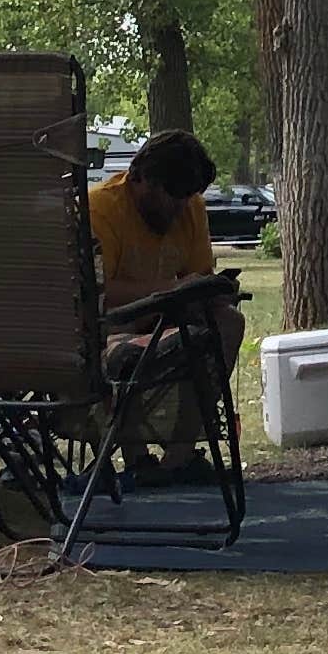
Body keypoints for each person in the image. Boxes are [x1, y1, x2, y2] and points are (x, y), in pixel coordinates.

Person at [86, 129, 242, 474]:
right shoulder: (100, 209)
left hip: (165, 320)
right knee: (121, 344)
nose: (180, 206)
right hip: (108, 326)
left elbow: (195, 276)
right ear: (141, 178)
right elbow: (96, 293)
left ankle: (179, 458)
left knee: (228, 321)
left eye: (188, 195)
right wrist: (169, 290)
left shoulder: (190, 207)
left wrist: (210, 290)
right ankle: (137, 459)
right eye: (172, 194)